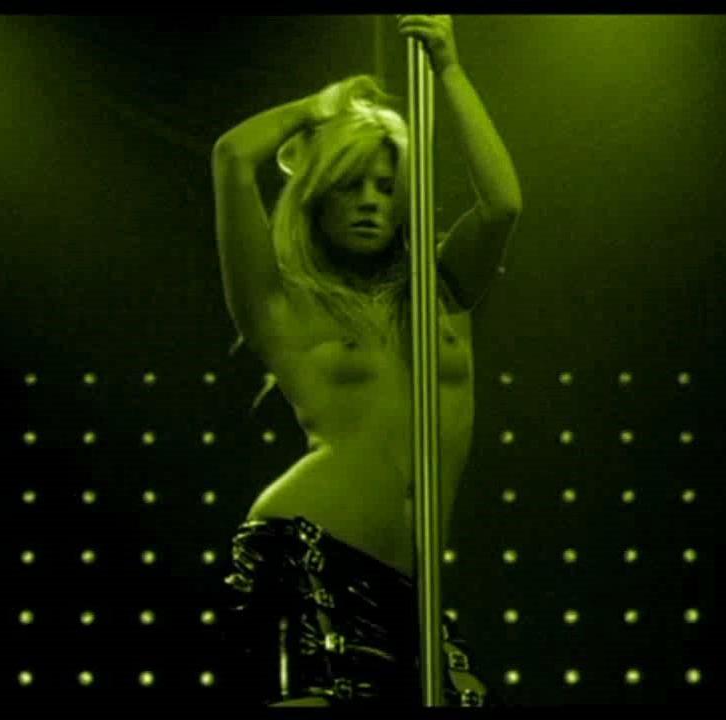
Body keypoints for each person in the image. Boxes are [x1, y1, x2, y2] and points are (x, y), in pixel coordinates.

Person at [211, 15, 522, 707]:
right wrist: (324, 109)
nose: (369, 203)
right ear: (316, 199)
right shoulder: (281, 306)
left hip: (411, 588)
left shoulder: (441, 288)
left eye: (385, 186)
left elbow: (502, 204)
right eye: (350, 186)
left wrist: (449, 69)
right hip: (306, 556)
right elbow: (232, 156)